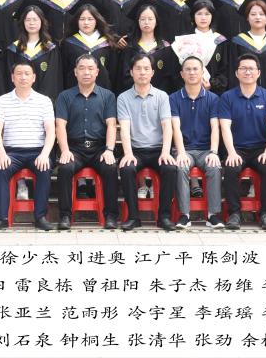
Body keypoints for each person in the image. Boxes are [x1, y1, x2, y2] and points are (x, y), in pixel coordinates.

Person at [54, 54, 120, 230]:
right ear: (75, 72)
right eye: (82, 68)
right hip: (74, 149)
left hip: (99, 148)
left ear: (97, 72)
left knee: (110, 168)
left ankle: (111, 216)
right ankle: (65, 215)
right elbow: (60, 125)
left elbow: (111, 124)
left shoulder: (107, 96)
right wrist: (65, 150)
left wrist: (109, 149)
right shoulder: (64, 96)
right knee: (65, 168)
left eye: (91, 68)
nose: (86, 72)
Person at [0, 62, 56, 231]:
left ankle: (40, 217)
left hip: (37, 152)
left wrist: (44, 154)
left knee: (44, 168)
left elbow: (51, 131)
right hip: (12, 152)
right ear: (12, 78)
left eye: (27, 73)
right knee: (1, 169)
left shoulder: (44, 101)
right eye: (19, 73)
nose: (23, 77)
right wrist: (2, 154)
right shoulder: (2, 101)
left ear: (34, 78)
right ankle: (2, 218)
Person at [116, 53, 180, 231]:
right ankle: (133, 217)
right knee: (127, 168)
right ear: (131, 72)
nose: (142, 72)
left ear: (152, 72)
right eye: (138, 69)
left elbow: (167, 126)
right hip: (135, 150)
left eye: (146, 69)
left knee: (170, 168)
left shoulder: (162, 96)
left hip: (159, 149)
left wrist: (166, 152)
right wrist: (128, 153)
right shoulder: (123, 98)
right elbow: (125, 128)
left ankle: (164, 217)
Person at [218, 53, 266, 230]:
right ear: (236, 73)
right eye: (243, 68)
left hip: (261, 148)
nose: (247, 72)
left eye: (251, 68)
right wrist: (231, 152)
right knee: (231, 168)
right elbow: (225, 127)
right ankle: (234, 213)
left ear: (259, 72)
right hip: (237, 148)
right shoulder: (227, 97)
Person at [169, 56, 224, 228]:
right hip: (183, 149)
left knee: (214, 166)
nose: (192, 73)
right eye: (188, 69)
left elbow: (215, 127)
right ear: (182, 74)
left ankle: (213, 215)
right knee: (181, 166)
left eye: (195, 69)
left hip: (205, 149)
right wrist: (181, 152)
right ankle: (184, 215)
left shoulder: (213, 99)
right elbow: (175, 128)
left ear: (202, 73)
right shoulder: (174, 98)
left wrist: (214, 152)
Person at [117, 2, 180, 94]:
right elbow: (124, 77)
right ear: (138, 21)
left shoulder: (165, 48)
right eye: (142, 19)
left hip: (159, 97)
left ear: (156, 22)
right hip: (134, 95)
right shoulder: (130, 47)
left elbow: (170, 77)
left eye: (150, 19)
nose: (146, 22)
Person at [172, 0, 229, 93]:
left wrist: (212, 84)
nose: (203, 18)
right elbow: (176, 69)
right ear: (193, 16)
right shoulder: (184, 40)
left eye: (207, 14)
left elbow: (224, 70)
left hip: (213, 92)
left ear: (212, 16)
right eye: (199, 14)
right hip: (187, 92)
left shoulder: (219, 40)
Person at [6, 5, 63, 101]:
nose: (31, 23)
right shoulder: (14, 49)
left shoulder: (50, 49)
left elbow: (52, 80)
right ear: (23, 22)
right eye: (28, 20)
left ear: (42, 22)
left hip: (42, 103)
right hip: (18, 101)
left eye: (35, 19)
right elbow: (10, 78)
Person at [228, 0, 266, 92]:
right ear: (247, 17)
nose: (258, 17)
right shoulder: (238, 42)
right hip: (244, 95)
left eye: (262, 14)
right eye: (253, 14)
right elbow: (232, 72)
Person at [59, 3, 118, 91]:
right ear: (77, 21)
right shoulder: (68, 43)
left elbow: (113, 73)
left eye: (90, 19)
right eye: (82, 19)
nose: (86, 23)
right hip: (74, 92)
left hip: (102, 93)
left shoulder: (107, 43)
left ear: (96, 20)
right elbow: (64, 72)